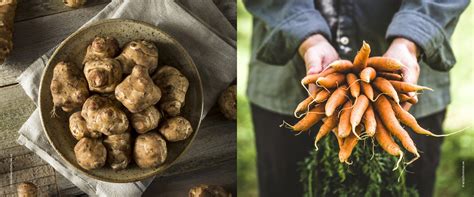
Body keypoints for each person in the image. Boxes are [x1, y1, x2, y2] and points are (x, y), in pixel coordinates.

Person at [243, 0, 469, 196]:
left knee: (407, 184)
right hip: (288, 80)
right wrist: (305, 34)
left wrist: (411, 40)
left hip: (405, 85)